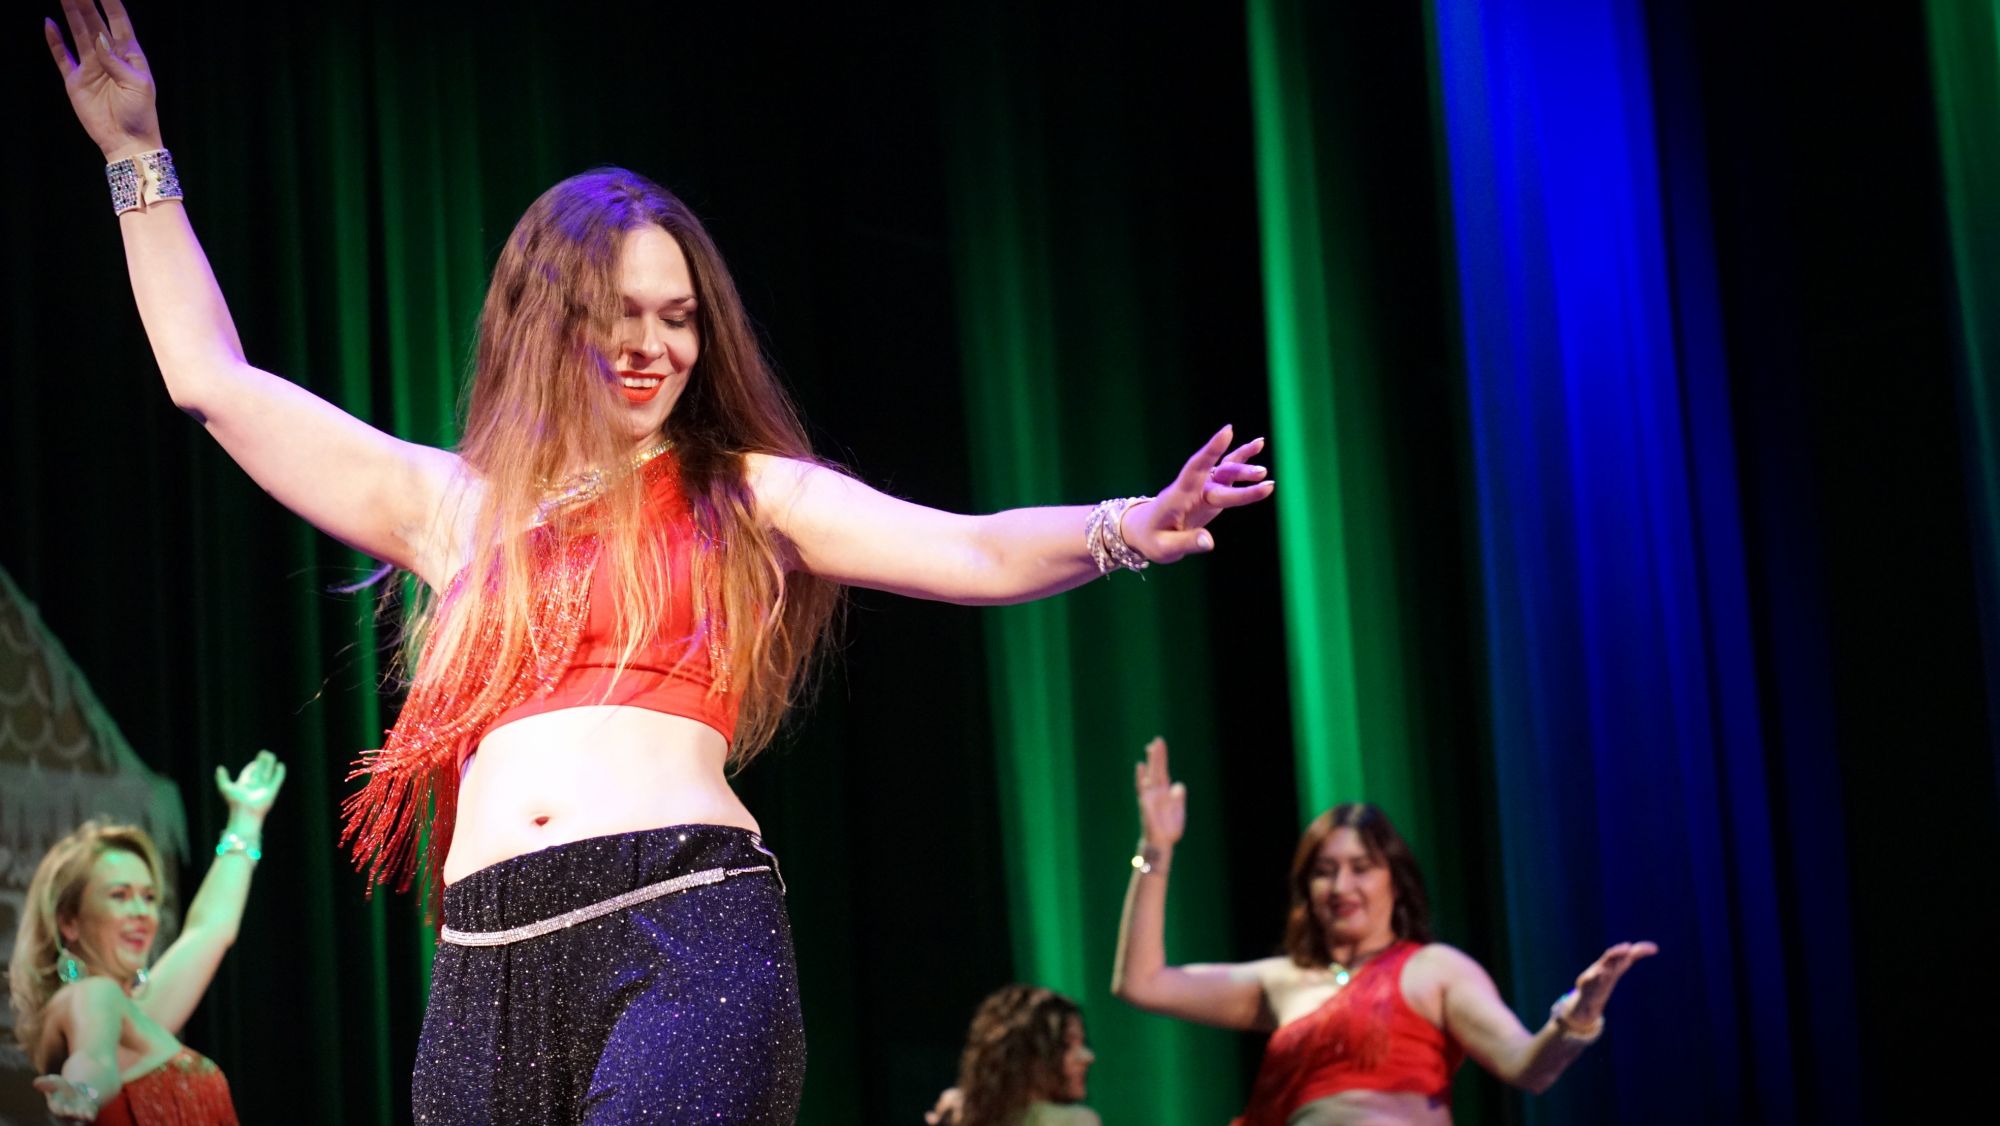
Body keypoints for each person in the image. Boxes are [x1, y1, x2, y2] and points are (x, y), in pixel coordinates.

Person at [42, 2, 1274, 1120]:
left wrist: (1130, 524)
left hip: (679, 929)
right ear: (546, 323)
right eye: (617, 315)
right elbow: (211, 381)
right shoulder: (451, 507)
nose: (651, 347)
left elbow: (969, 548)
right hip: (481, 972)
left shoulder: (744, 492)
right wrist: (134, 156)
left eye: (677, 318)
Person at [1112, 738, 1655, 1126]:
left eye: (1362, 867)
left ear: (1395, 881)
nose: (1341, 886)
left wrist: (1578, 1017)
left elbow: (1527, 1066)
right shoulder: (1282, 981)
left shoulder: (1434, 969)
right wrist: (1154, 846)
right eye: (1324, 871)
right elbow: (1141, 983)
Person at [8, 752, 286, 1125]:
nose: (142, 911)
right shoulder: (92, 995)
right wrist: (85, 1091)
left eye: (149, 897)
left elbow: (210, 928)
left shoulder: (136, 1019)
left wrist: (245, 821)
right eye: (119, 895)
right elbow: (94, 1059)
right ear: (70, 922)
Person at [924, 984, 1098, 1126]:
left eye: (1082, 1043)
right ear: (1028, 1056)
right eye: (1067, 1045)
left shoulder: (962, 1114)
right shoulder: (1076, 1121)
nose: (1088, 1057)